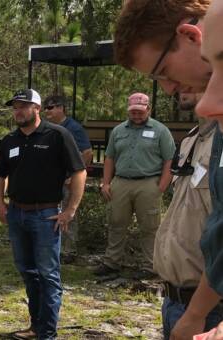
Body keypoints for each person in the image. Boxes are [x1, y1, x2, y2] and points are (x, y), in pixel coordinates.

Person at [114, 1, 223, 337]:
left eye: (162, 73)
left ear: (190, 36)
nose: (168, 88)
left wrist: (196, 315)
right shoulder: (197, 136)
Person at [0, 89, 87, 340]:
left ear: (36, 108)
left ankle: (47, 333)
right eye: (15, 107)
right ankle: (36, 326)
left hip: (46, 215)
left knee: (48, 274)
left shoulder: (57, 135)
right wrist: (0, 202)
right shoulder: (10, 140)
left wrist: (70, 211)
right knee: (27, 271)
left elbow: (79, 172)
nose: (18, 111)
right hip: (17, 214)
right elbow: (0, 174)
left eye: (23, 106)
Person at [155, 113, 222, 338]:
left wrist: (196, 313)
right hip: (174, 299)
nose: (174, 86)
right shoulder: (192, 137)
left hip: (207, 307)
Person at [95, 93, 175, 278]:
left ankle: (150, 266)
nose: (137, 115)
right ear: (128, 111)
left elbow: (169, 160)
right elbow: (109, 158)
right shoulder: (118, 131)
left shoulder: (161, 131)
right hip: (121, 182)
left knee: (149, 226)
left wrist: (161, 187)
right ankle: (111, 262)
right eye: (133, 112)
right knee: (116, 223)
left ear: (149, 109)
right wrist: (106, 183)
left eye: (140, 112)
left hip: (148, 183)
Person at [43, 95, 92, 264]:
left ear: (61, 108)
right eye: (45, 107)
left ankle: (69, 250)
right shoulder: (46, 127)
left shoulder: (73, 127)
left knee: (68, 212)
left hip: (67, 180)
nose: (47, 111)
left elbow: (87, 153)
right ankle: (52, 246)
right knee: (51, 213)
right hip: (50, 180)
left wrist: (74, 176)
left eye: (51, 107)